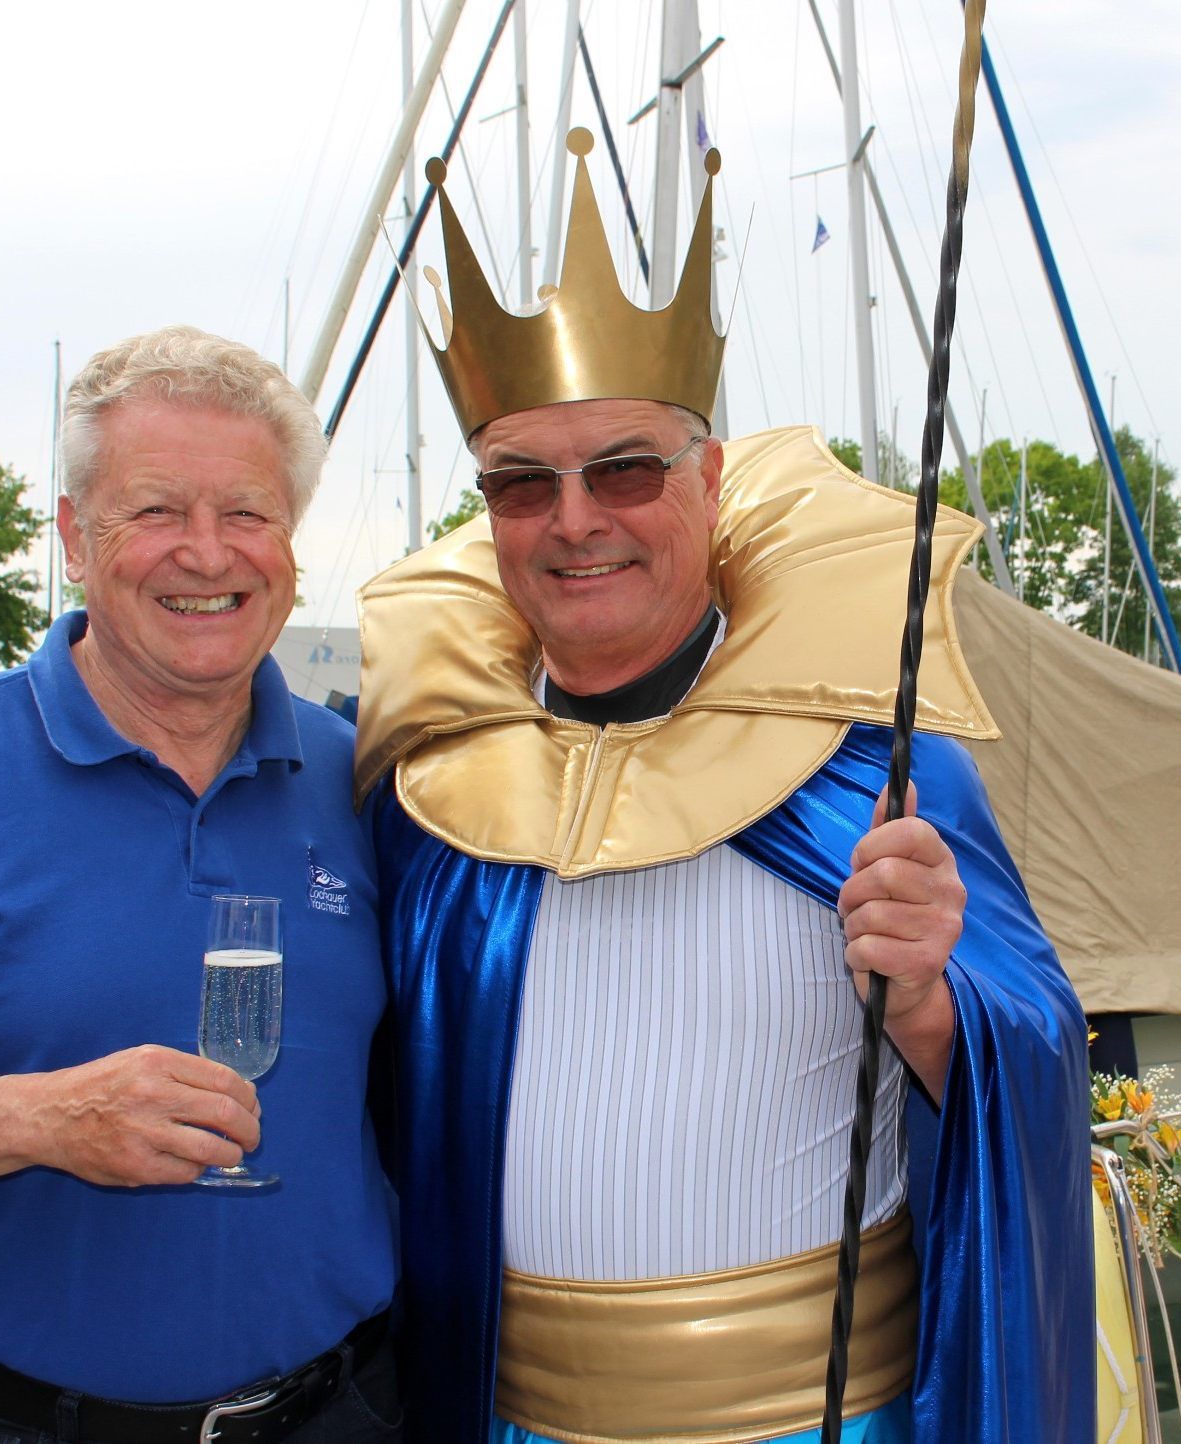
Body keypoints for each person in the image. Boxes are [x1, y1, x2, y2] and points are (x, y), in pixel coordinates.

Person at [356, 132, 1090, 1442]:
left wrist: (930, 998)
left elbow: (1027, 1052)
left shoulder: (873, 774)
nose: (575, 520)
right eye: (522, 484)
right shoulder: (432, 803)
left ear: (709, 480)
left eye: (625, 470)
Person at [0, 326, 402, 1442]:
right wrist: (45, 1116)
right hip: (31, 1424)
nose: (208, 554)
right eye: (155, 511)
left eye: (246, 513)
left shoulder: (366, 777)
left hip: (343, 1409)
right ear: (73, 538)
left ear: (289, 544)